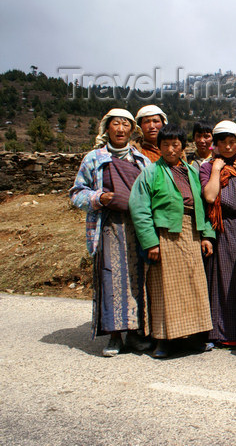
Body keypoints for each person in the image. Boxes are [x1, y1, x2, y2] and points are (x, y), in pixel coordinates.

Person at [70, 108, 151, 356]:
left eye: (126, 124)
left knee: (139, 279)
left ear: (131, 130)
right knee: (112, 278)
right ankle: (115, 336)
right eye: (116, 124)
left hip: (138, 226)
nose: (120, 129)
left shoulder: (141, 161)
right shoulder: (94, 159)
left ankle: (136, 334)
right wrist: (99, 197)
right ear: (107, 128)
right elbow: (76, 194)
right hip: (109, 227)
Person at [129, 124, 215, 358]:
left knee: (193, 287)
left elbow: (203, 206)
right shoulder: (150, 172)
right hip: (165, 234)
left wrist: (206, 235)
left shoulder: (192, 172)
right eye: (165, 145)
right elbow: (139, 208)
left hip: (191, 232)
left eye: (175, 144)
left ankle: (194, 338)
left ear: (183, 147)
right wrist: (150, 242)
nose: (170, 149)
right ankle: (164, 340)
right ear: (159, 147)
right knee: (165, 289)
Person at [200, 120, 236, 346]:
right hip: (218, 227)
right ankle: (215, 332)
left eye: (232, 142)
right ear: (215, 145)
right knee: (216, 281)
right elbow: (209, 197)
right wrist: (216, 170)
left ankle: (235, 332)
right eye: (222, 142)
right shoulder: (207, 168)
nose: (227, 147)